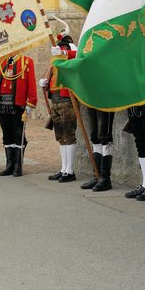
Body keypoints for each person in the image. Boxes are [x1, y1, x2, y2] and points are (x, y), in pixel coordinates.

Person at [0, 52, 37, 177]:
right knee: (7, 133)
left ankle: (18, 165)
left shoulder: (26, 61)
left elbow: (31, 83)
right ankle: (9, 164)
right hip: (3, 104)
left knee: (18, 134)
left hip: (17, 104)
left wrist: (31, 102)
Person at [40, 33, 84, 185]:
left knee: (69, 135)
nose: (60, 49)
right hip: (55, 100)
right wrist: (44, 82)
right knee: (61, 137)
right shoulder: (56, 61)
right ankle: (64, 168)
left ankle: (70, 170)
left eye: (63, 47)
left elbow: (78, 55)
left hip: (67, 101)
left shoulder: (71, 56)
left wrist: (65, 52)